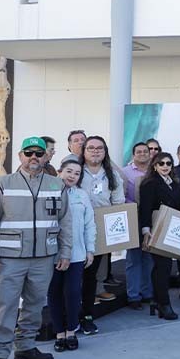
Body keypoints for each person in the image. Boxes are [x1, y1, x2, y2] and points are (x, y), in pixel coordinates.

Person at [0, 137, 72, 359]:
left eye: (39, 153)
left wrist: (65, 252)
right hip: (11, 259)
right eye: (29, 153)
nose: (34, 157)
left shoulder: (57, 184)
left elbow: (65, 221)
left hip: (44, 257)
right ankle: (0, 355)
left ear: (46, 157)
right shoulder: (3, 184)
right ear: (21, 156)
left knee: (34, 305)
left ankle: (24, 347)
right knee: (6, 306)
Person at [77, 135, 126, 334]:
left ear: (105, 152)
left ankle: (87, 316)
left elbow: (118, 202)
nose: (95, 151)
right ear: (84, 151)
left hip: (99, 231)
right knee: (73, 276)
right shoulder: (76, 171)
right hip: (75, 229)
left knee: (91, 276)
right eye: (91, 148)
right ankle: (70, 315)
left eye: (100, 148)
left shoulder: (112, 174)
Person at [49, 160, 95, 352]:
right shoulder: (49, 193)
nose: (72, 176)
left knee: (73, 293)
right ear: (60, 172)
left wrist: (90, 249)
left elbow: (89, 224)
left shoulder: (82, 196)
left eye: (76, 174)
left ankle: (71, 330)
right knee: (54, 293)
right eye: (69, 171)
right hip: (52, 254)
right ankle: (59, 332)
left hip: (76, 253)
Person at [138, 152, 180, 320]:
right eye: (161, 163)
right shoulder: (149, 183)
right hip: (156, 230)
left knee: (163, 267)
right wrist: (145, 230)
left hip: (171, 230)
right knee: (162, 267)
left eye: (168, 163)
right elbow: (145, 208)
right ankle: (164, 304)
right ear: (155, 166)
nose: (165, 166)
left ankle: (157, 302)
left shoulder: (175, 184)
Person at [122, 142, 153, 309]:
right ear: (133, 155)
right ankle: (133, 296)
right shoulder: (125, 172)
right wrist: (132, 204)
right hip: (133, 216)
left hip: (151, 218)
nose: (142, 154)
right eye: (138, 152)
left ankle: (147, 293)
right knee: (134, 258)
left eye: (145, 151)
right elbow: (121, 194)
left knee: (148, 256)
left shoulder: (154, 170)